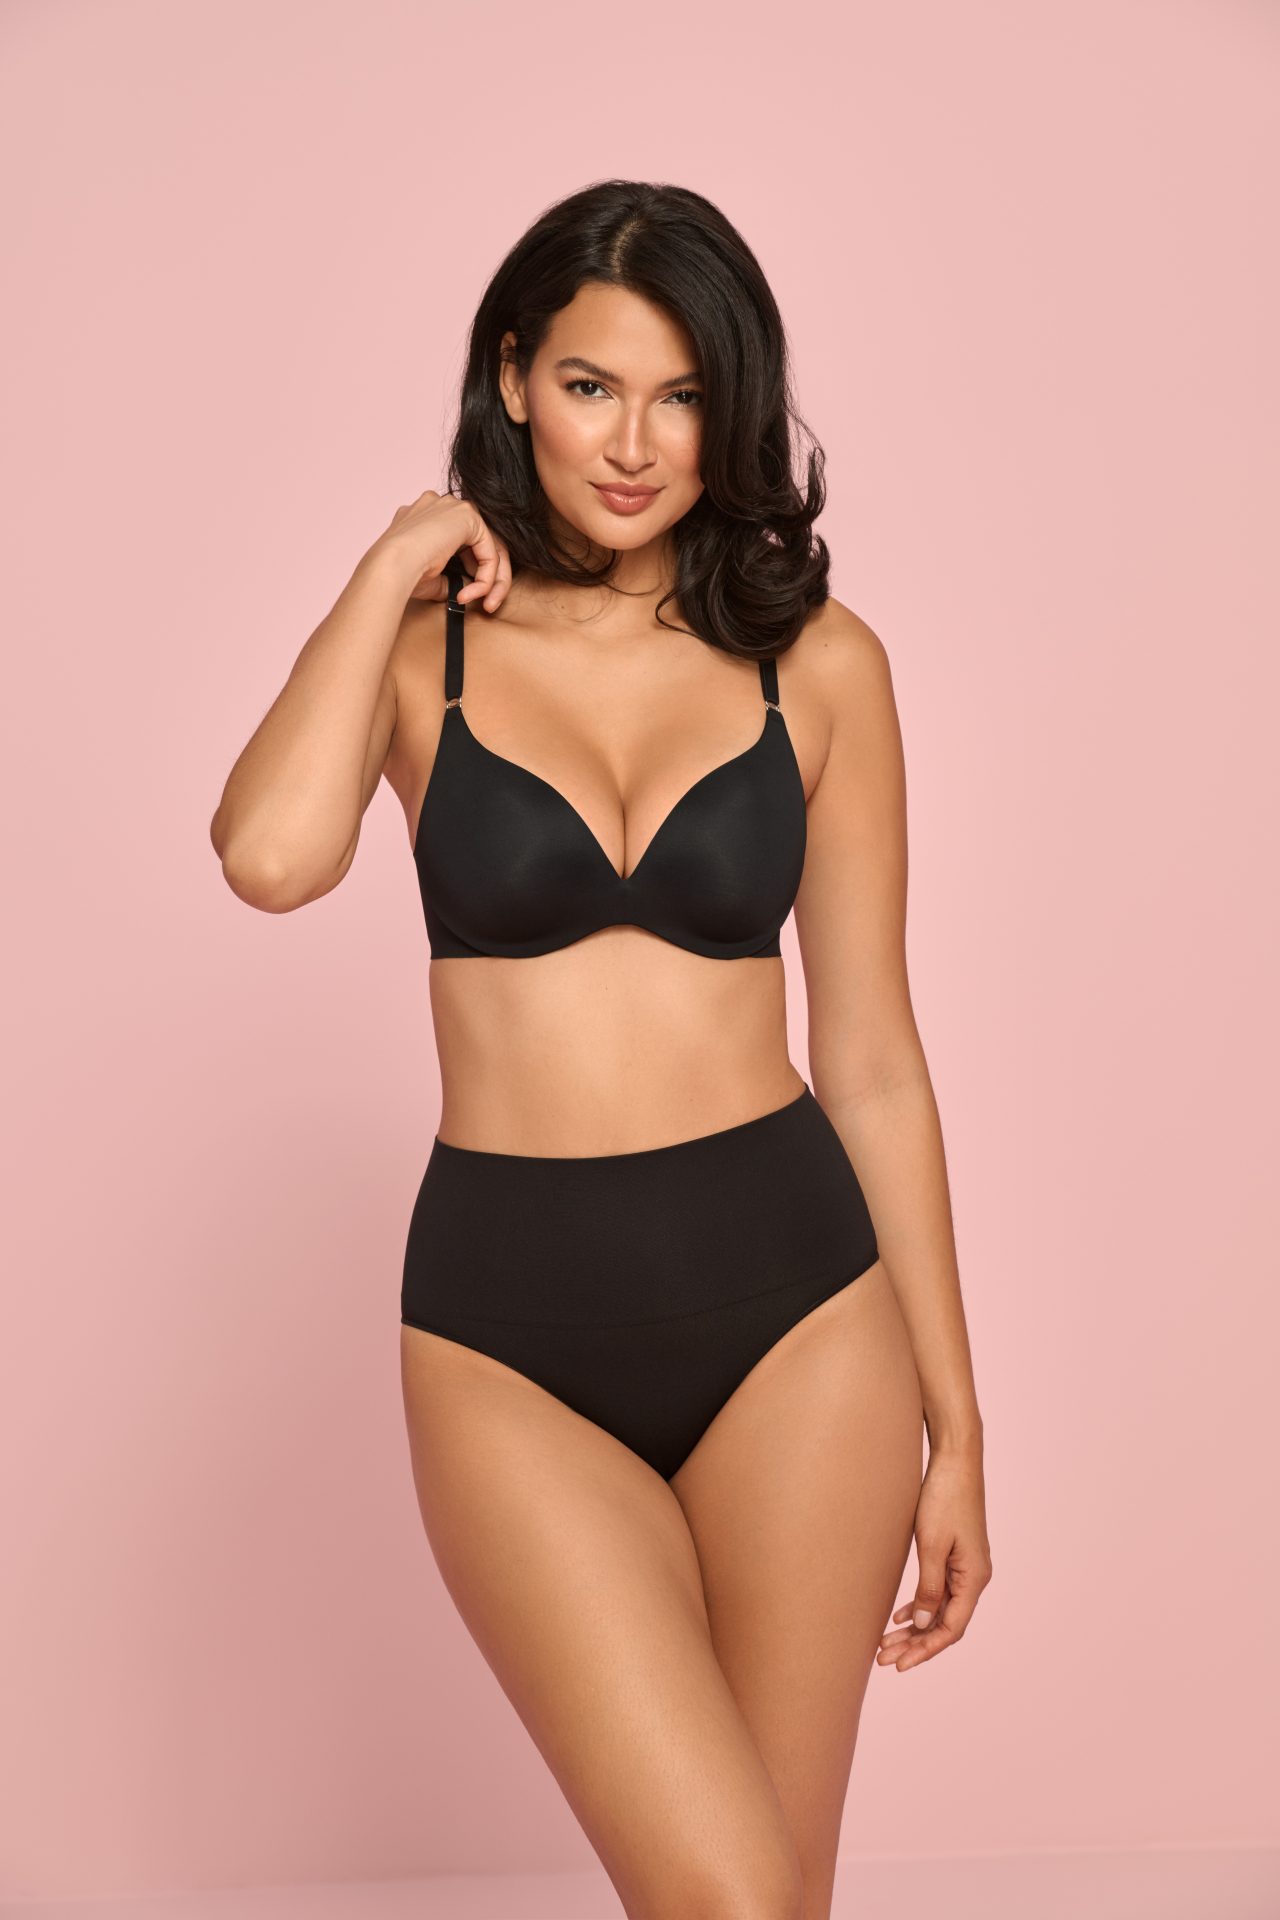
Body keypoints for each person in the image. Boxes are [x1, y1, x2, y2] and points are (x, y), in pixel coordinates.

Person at [211, 180, 992, 1920]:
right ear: (512, 380)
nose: (635, 445)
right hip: (509, 1337)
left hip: (801, 1319)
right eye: (589, 386)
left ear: (736, 406)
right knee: (722, 1891)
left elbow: (873, 1057)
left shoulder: (819, 667)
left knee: (773, 1901)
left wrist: (958, 1423)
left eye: (683, 396)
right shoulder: (420, 659)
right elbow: (269, 857)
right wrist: (391, 562)